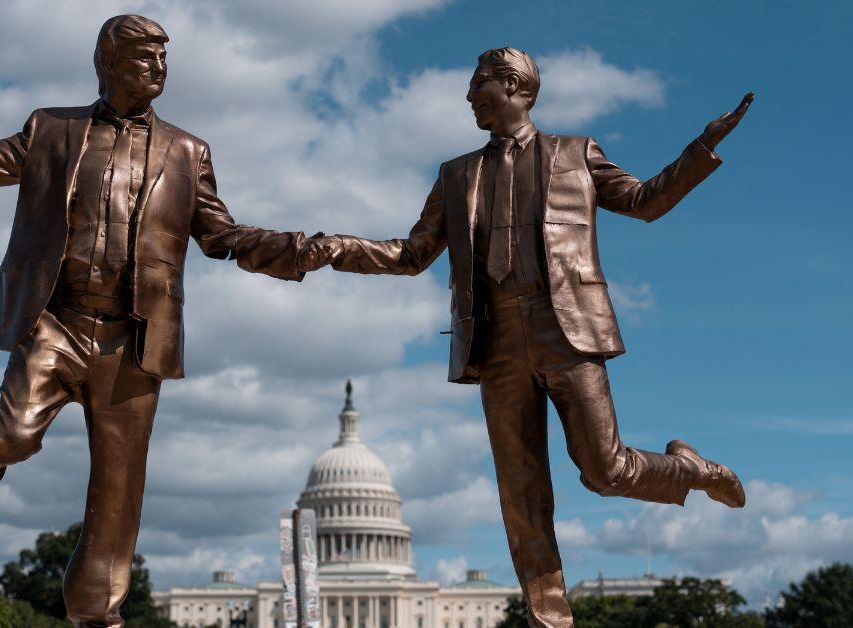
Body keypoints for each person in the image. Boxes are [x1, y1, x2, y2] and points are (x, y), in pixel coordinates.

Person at [0, 15, 328, 626]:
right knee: (16, 433)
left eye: (163, 59)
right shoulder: (52, 129)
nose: (157, 70)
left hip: (134, 342)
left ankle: (95, 617)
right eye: (143, 58)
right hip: (56, 322)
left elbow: (224, 236)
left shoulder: (189, 152)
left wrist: (294, 250)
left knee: (117, 496)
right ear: (107, 64)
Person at [302, 47, 754, 627]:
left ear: (516, 87)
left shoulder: (575, 153)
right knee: (522, 496)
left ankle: (691, 471)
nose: (468, 98)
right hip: (496, 340)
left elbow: (646, 202)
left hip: (563, 325)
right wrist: (333, 248)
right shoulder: (456, 173)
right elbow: (411, 254)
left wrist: (700, 149)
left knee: (604, 471)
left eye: (478, 86)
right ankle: (551, 620)